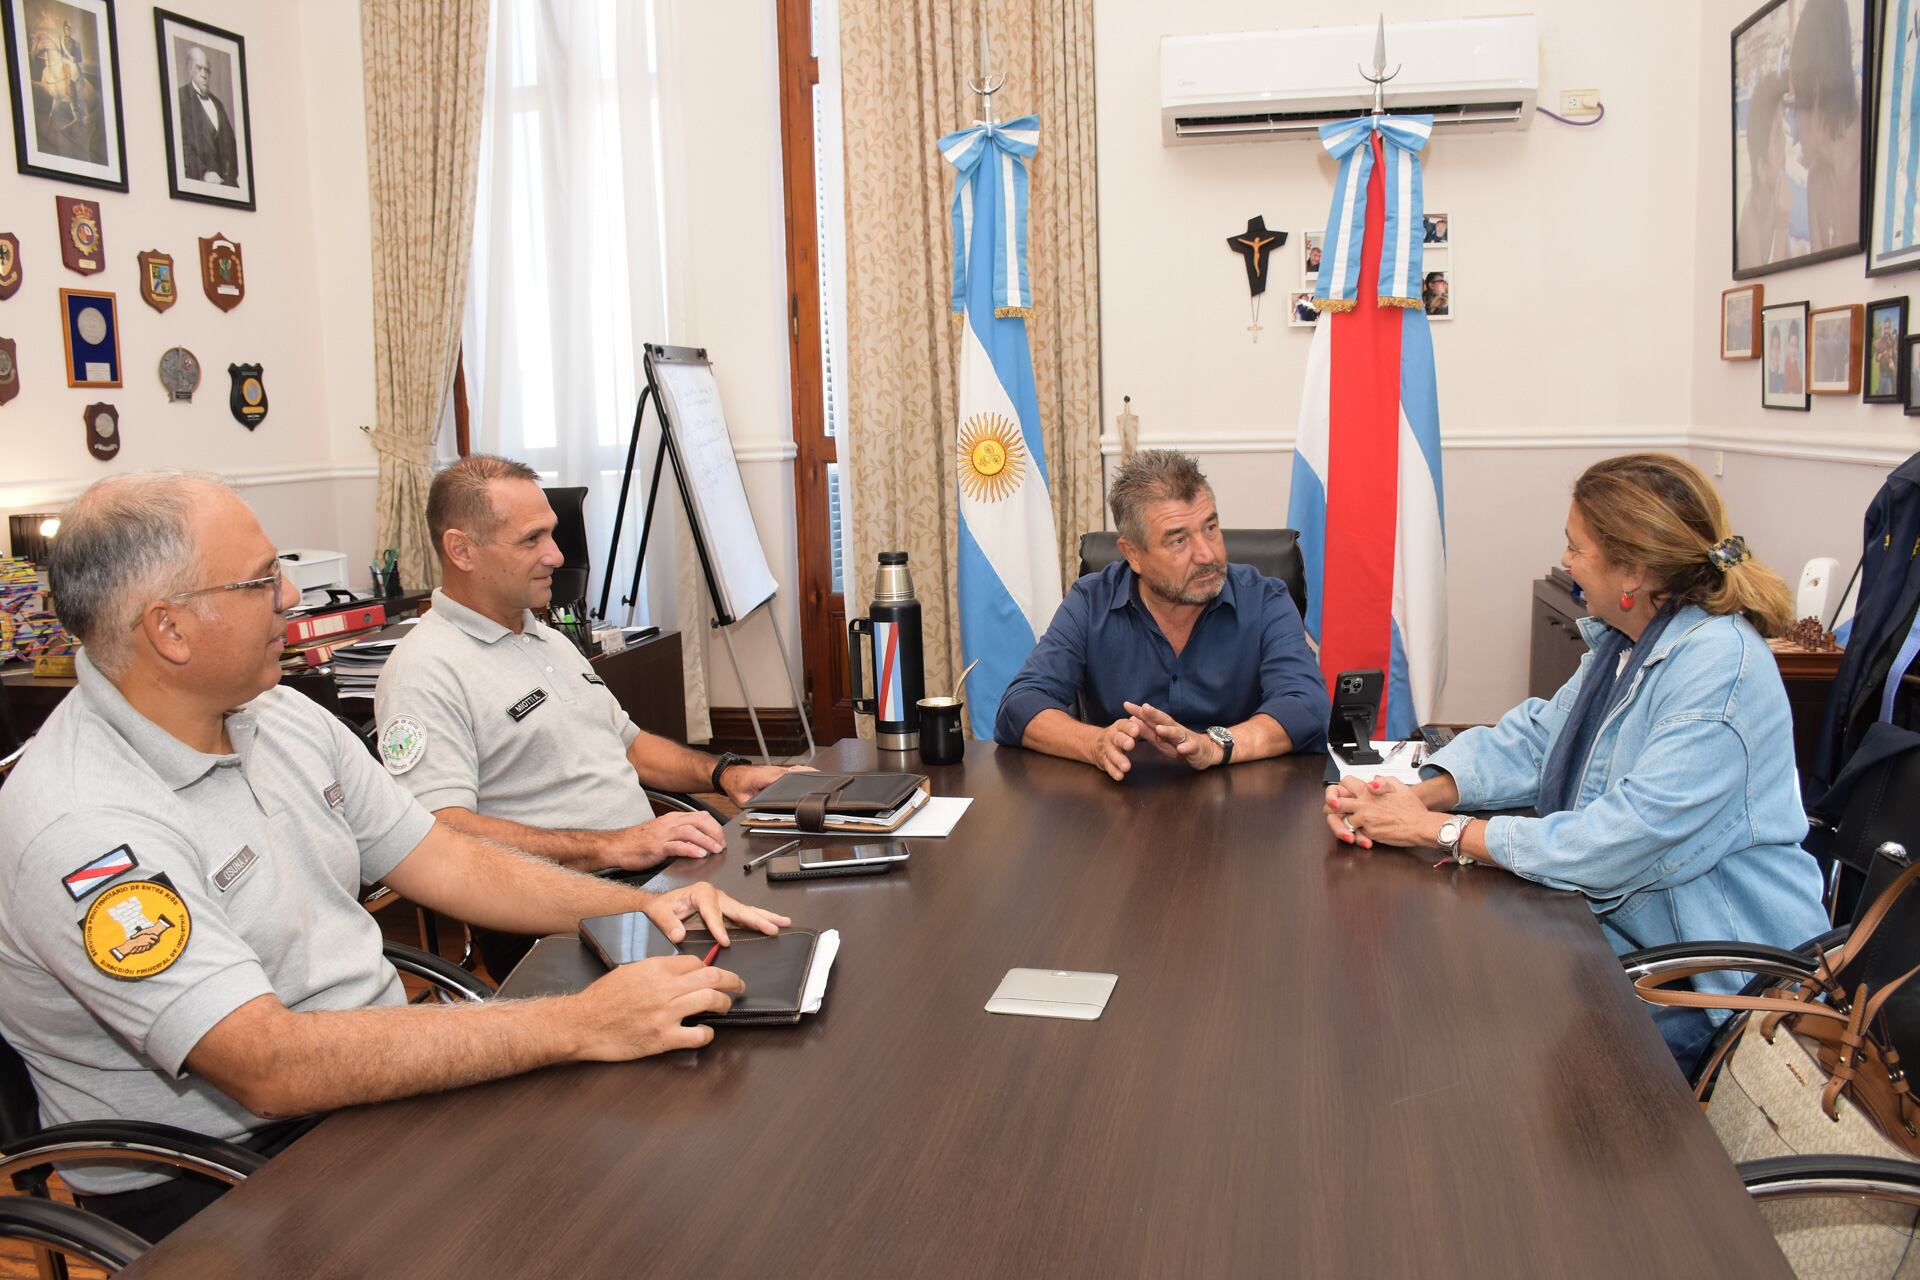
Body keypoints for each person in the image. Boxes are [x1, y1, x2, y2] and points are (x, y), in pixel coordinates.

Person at [0, 471, 786, 1243]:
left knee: (649, 1173)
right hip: (224, 1170)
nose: (291, 599)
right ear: (170, 628)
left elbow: (442, 858)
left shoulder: (275, 716)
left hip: (367, 1082)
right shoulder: (83, 825)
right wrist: (577, 1024)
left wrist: (643, 905)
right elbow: (267, 1066)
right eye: (261, 581)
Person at [1322, 453, 1828, 1075]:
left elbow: (1619, 838)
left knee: (1493, 1057)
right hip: (1629, 941)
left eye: (1575, 546)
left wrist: (1440, 832)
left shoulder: (1720, 672)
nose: (1564, 561)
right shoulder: (1628, 643)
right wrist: (1410, 792)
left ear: (1634, 570)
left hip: (1721, 984)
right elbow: (1537, 740)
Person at [374, 456, 803, 975]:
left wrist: (726, 772)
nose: (556, 555)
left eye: (552, 535)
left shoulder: (545, 636)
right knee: (761, 974)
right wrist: (614, 847)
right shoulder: (424, 670)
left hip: (650, 873)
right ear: (461, 550)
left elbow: (628, 744)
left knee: (801, 908)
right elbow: (443, 835)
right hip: (557, 914)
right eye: (531, 540)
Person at [994, 449, 1328, 780]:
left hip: (1245, 800)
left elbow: (1305, 707)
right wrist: (1094, 742)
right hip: (1121, 805)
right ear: (1133, 554)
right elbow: (1020, 706)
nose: (1206, 554)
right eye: (1179, 540)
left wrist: (1213, 746)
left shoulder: (1266, 599)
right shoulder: (1091, 602)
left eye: (1210, 528)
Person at [1790, 0, 1861, 254]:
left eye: (1795, 101)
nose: (1794, 122)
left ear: (1816, 93)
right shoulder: (1817, 183)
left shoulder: (1881, 167)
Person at [1738, 72, 1793, 268]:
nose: (1785, 142)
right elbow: (1777, 285)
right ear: (1761, 168)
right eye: (1778, 135)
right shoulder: (1750, 215)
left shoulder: (1773, 202)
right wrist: (1781, 224)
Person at [177, 44, 238, 186]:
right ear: (189, 69)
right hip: (200, 183)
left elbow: (231, 145)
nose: (204, 75)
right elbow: (181, 146)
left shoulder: (217, 104)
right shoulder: (180, 98)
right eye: (199, 68)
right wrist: (203, 173)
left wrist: (237, 175)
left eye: (207, 70)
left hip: (227, 186)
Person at [1785, 319, 1805, 394]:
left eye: (1796, 346)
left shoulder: (1798, 368)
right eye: (1792, 345)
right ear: (1788, 346)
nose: (1794, 350)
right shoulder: (1785, 368)